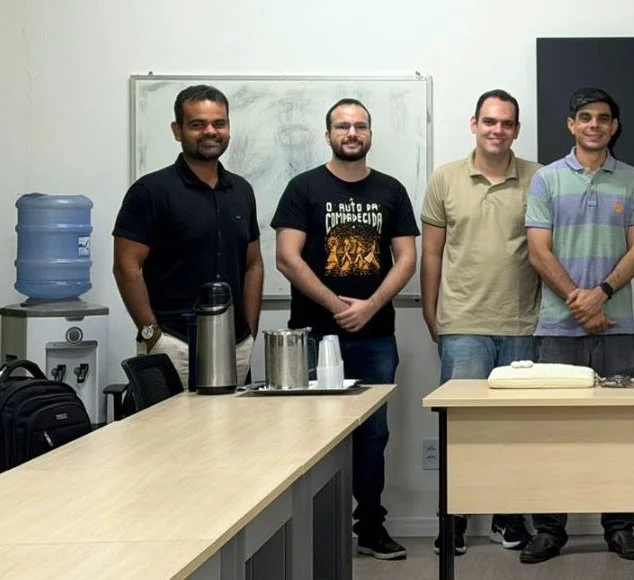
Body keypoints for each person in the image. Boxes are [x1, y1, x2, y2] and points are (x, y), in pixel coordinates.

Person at [270, 98, 419, 560]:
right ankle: (310, 533)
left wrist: (370, 306)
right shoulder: (303, 187)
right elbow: (286, 257)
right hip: (314, 335)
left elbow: (407, 258)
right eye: (342, 126)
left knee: (373, 435)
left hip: (375, 337)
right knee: (309, 437)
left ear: (370, 134)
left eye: (360, 126)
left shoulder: (391, 190)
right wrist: (338, 306)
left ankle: (370, 527)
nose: (351, 133)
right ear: (328, 134)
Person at [521, 87, 634, 564]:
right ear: (571, 125)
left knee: (620, 429)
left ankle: (619, 527)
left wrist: (602, 295)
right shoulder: (547, 181)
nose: (594, 125)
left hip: (615, 327)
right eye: (585, 118)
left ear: (614, 126)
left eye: (603, 118)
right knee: (553, 432)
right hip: (557, 328)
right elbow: (539, 251)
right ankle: (550, 531)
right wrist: (580, 301)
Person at [420, 89, 542, 555]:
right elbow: (432, 251)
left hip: (522, 324)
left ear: (516, 130)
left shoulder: (539, 178)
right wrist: (432, 315)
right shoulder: (446, 179)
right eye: (490, 121)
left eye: (507, 123)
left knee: (515, 432)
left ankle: (508, 519)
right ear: (474, 124)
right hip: (463, 323)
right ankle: (451, 521)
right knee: (460, 428)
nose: (498, 130)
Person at [113, 84, 262, 389]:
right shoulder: (150, 191)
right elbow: (126, 266)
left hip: (235, 345)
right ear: (177, 130)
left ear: (228, 129)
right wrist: (150, 333)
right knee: (170, 436)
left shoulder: (242, 191)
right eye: (197, 124)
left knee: (236, 436)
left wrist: (250, 330)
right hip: (173, 343)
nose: (210, 131)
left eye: (219, 123)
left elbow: (254, 265)